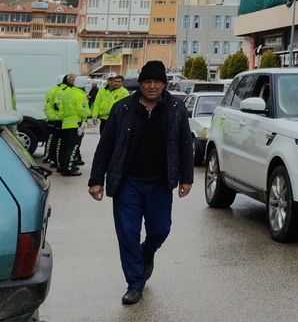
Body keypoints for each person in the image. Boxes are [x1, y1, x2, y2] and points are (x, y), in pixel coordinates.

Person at [87, 60, 193, 306]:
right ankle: (135, 283)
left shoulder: (175, 108)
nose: (152, 86)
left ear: (164, 84)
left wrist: (186, 177)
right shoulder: (123, 108)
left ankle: (146, 253)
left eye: (157, 82)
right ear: (140, 84)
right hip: (128, 183)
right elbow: (106, 146)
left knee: (160, 230)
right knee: (127, 233)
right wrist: (96, 179)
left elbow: (184, 144)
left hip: (160, 183)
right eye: (147, 82)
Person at [56, 74, 90, 176]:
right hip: (76, 125)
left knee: (64, 147)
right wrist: (90, 114)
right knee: (73, 148)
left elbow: (61, 110)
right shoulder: (80, 95)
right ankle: (69, 169)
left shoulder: (66, 93)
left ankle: (62, 167)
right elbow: (81, 110)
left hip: (65, 124)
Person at [43, 74, 67, 167]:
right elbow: (48, 106)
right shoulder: (54, 91)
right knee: (52, 140)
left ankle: (53, 158)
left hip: (59, 119)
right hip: (54, 120)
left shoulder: (59, 90)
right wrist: (53, 117)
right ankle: (48, 157)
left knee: (55, 141)